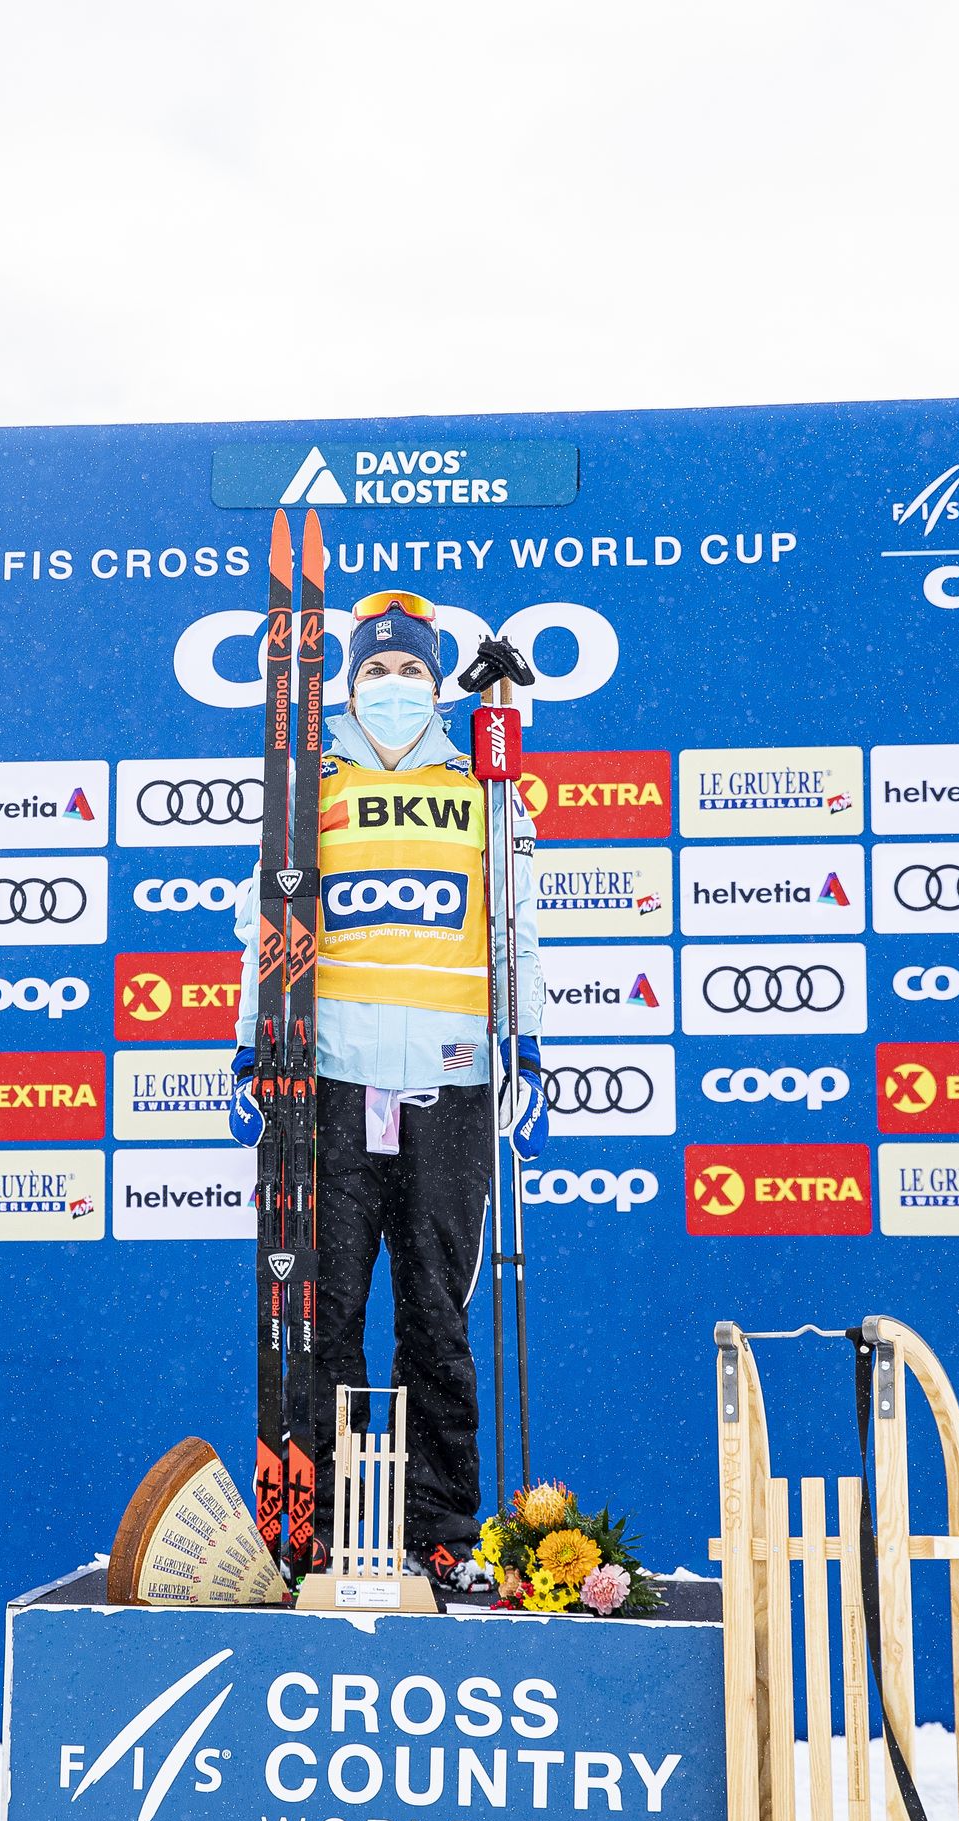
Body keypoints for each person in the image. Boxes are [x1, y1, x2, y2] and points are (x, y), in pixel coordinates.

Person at [228, 590, 547, 1587]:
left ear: (437, 683)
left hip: (449, 1088)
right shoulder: (307, 786)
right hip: (331, 1081)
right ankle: (315, 1526)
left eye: (413, 670)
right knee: (323, 1314)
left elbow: (517, 928)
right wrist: (252, 1052)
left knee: (438, 1319)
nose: (396, 687)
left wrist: (525, 1050)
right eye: (379, 671)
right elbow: (266, 933)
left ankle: (442, 1528)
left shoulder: (488, 790)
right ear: (349, 685)